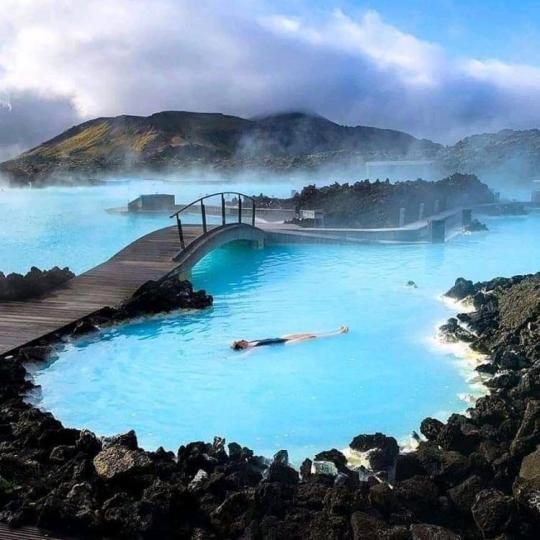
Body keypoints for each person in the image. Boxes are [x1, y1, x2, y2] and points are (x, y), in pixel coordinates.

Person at [232, 326, 349, 350]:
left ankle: (335, 329)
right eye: (241, 342)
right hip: (284, 344)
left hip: (280, 338)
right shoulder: (252, 349)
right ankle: (340, 333)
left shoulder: (251, 342)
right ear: (242, 346)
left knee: (307, 332)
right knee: (311, 337)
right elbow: (244, 356)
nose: (242, 340)